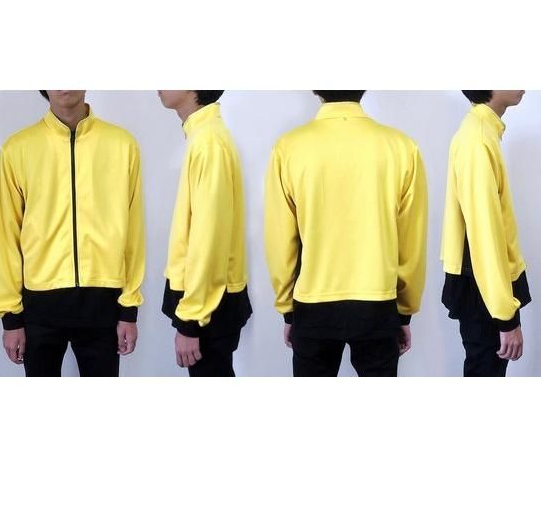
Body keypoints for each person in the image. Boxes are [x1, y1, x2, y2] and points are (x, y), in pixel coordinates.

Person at [265, 90, 428, 377]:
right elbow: (411, 241)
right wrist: (404, 311)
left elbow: (280, 241)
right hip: (378, 305)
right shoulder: (402, 147)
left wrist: (288, 308)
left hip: (312, 305)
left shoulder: (288, 148)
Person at [0, 90, 145, 377]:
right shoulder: (17, 149)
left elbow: (134, 232)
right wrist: (10, 318)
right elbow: (6, 237)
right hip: (39, 309)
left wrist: (129, 309)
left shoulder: (122, 145)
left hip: (103, 307)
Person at [158, 90, 252, 377]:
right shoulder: (203, 135)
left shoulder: (208, 143)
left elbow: (209, 239)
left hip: (208, 305)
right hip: (206, 299)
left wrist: (191, 321)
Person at [441, 90, 531, 377]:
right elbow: (484, 236)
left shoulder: (482, 132)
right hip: (484, 289)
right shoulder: (477, 140)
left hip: (484, 284)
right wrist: (506, 317)